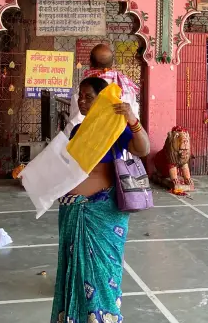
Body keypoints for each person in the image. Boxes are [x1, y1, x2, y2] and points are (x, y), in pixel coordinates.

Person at [53, 77, 150, 323]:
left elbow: (143, 149)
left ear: (103, 98)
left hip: (103, 213)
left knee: (103, 276)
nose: (82, 101)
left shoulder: (115, 126)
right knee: (74, 275)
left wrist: (133, 121)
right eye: (80, 96)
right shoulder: (77, 130)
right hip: (73, 213)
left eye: (88, 96)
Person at [65, 44, 140, 136]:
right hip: (126, 136)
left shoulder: (86, 85)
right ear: (112, 63)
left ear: (90, 62)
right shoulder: (125, 85)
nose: (82, 100)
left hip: (93, 138)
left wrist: (63, 143)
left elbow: (76, 119)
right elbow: (134, 115)